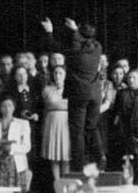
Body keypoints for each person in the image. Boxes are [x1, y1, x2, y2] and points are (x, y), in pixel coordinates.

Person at [42, 17, 104, 170]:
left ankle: (79, 165)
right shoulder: (98, 47)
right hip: (95, 93)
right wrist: (76, 30)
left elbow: (53, 45)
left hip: (79, 94)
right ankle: (100, 156)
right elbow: (84, 40)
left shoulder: (74, 51)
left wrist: (50, 31)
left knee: (77, 131)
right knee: (91, 127)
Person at [41, 66, 71, 180]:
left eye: (60, 73)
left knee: (66, 156)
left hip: (66, 122)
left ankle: (66, 185)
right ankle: (57, 184)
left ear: (65, 75)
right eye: (56, 73)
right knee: (54, 156)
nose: (58, 75)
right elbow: (46, 107)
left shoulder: (71, 88)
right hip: (52, 121)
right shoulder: (47, 90)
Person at [113, 70, 138, 168]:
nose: (131, 80)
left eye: (134, 78)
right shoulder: (121, 93)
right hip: (124, 128)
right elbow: (117, 111)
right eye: (129, 78)